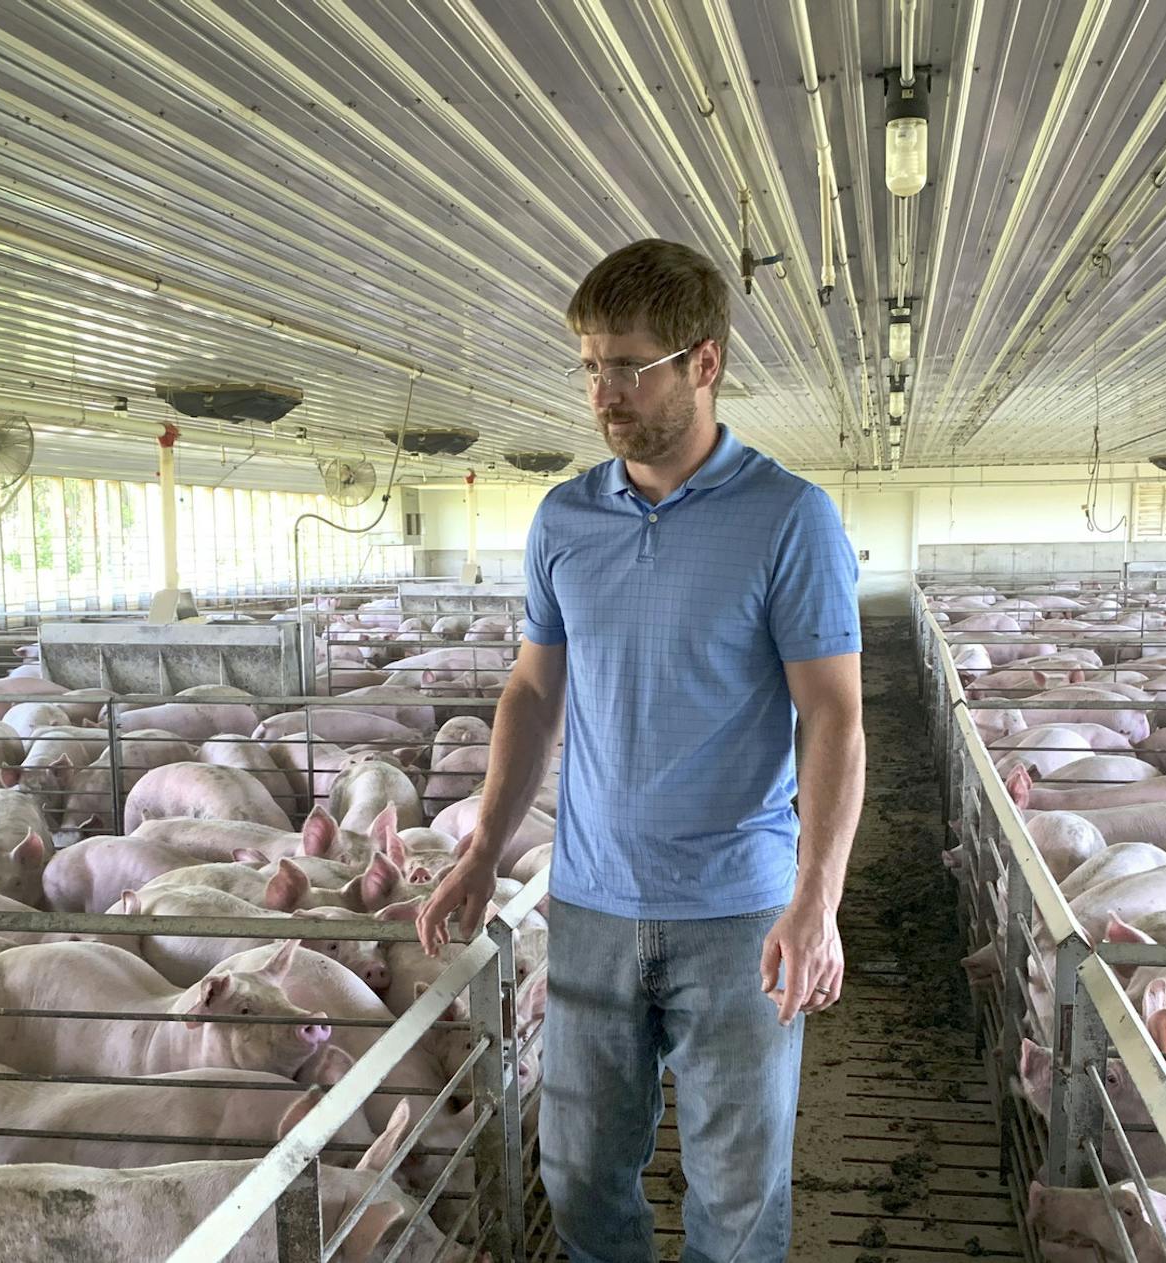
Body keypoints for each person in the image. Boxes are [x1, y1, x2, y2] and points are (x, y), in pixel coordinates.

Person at [417, 238, 866, 1263]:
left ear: (703, 363)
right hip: (589, 904)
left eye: (629, 365)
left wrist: (818, 900)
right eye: (589, 365)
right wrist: (484, 849)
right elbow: (532, 692)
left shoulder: (789, 518)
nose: (603, 392)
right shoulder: (565, 518)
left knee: (737, 1189)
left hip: (739, 909)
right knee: (575, 1171)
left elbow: (834, 716)